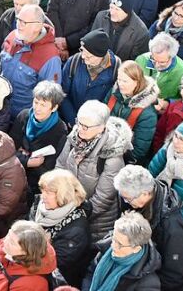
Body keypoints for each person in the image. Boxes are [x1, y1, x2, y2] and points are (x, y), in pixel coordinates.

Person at [55, 100, 134, 236]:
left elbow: (103, 199)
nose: (80, 129)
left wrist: (75, 215)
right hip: (68, 210)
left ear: (102, 127)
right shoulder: (74, 138)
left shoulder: (112, 156)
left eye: (86, 126)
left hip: (95, 223)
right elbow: (60, 166)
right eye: (79, 123)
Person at [112, 164, 183, 291]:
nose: (125, 202)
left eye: (128, 199)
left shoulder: (172, 226)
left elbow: (175, 273)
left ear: (145, 194)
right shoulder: (136, 200)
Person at [32, 169, 90, 286]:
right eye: (42, 191)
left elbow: (56, 263)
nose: (43, 197)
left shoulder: (76, 230)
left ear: (64, 195)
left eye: (48, 193)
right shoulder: (40, 206)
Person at [10, 80, 69, 197]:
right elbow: (9, 150)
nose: (37, 108)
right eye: (36, 102)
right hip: (15, 174)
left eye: (43, 105)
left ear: (54, 108)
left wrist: (24, 155)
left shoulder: (60, 130)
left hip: (37, 185)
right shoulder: (23, 116)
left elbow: (50, 166)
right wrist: (27, 161)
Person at [83, 211, 162, 291]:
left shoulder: (148, 283)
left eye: (120, 244)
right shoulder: (106, 251)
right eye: (114, 239)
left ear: (136, 249)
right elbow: (90, 274)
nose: (113, 246)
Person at [0, 220, 57, 291]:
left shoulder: (30, 285)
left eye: (12, 242)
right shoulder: (4, 247)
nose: (5, 241)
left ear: (25, 252)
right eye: (8, 234)